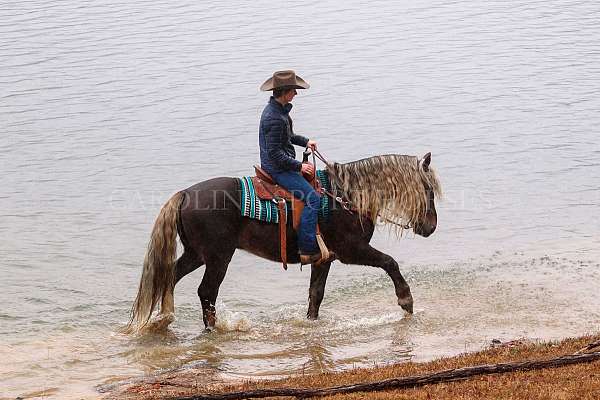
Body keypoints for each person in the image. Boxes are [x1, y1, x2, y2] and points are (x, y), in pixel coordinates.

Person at [259, 70, 322, 265]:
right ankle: (307, 248)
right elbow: (275, 155)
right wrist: (300, 167)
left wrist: (305, 142)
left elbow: (288, 137)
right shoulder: (275, 118)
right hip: (278, 169)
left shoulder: (278, 111)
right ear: (286, 92)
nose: (296, 93)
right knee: (313, 198)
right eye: (294, 90)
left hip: (281, 164)